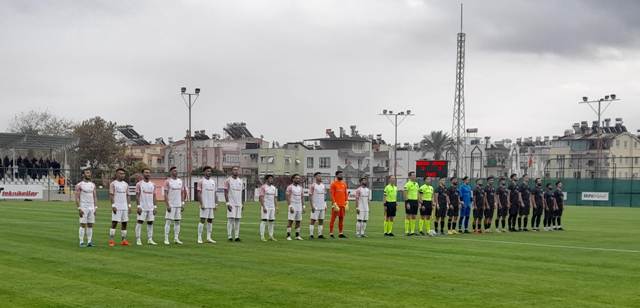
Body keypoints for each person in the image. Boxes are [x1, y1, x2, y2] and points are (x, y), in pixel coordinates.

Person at [164, 167, 186, 245]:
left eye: (176, 171)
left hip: (178, 205)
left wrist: (182, 203)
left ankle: (176, 238)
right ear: (171, 172)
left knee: (177, 222)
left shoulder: (180, 181)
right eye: (174, 171)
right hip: (171, 205)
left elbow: (182, 193)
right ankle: (166, 238)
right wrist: (168, 205)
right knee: (168, 221)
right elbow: (165, 193)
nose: (176, 172)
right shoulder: (168, 181)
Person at [135, 168, 158, 246]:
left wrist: (155, 206)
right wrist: (138, 206)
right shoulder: (139, 184)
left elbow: (154, 196)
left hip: (151, 207)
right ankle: (138, 239)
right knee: (140, 221)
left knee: (150, 222)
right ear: (143, 174)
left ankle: (150, 239)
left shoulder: (153, 184)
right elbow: (137, 196)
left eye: (149, 172)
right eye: (146, 172)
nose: (147, 174)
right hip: (142, 207)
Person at [109, 168, 131, 247]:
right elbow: (111, 195)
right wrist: (113, 205)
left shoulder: (126, 184)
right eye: (120, 173)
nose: (122, 175)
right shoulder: (113, 184)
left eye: (123, 174)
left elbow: (128, 195)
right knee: (114, 223)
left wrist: (129, 206)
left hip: (124, 206)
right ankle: (111, 240)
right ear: (116, 174)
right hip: (117, 206)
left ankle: (123, 240)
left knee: (124, 223)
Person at [75, 169, 97, 247]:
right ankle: (81, 242)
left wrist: (95, 207)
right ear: (83, 175)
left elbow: (95, 197)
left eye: (89, 173)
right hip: (83, 206)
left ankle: (89, 242)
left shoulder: (93, 185)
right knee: (82, 224)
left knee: (90, 224)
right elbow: (77, 197)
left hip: (91, 207)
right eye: (87, 173)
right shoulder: (79, 185)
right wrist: (79, 208)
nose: (89, 174)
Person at [197, 166, 218, 244]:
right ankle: (199, 237)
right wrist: (201, 203)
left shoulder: (213, 181)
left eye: (210, 171)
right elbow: (198, 193)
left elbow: (215, 193)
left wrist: (216, 204)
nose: (209, 172)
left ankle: (209, 237)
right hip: (204, 204)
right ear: (204, 172)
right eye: (208, 171)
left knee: (210, 220)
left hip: (211, 204)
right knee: (202, 220)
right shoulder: (201, 181)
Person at [224, 166, 244, 241]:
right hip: (231, 203)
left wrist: (242, 203)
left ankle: (236, 236)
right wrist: (227, 203)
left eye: (237, 170)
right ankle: (229, 236)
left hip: (239, 203)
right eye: (234, 170)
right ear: (231, 171)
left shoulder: (241, 181)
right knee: (230, 219)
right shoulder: (228, 180)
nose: (236, 171)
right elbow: (225, 192)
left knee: (238, 220)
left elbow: (242, 193)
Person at [329, 170, 349, 238]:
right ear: (336, 176)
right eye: (340, 174)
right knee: (333, 219)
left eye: (342, 174)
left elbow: (345, 194)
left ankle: (340, 233)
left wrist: (346, 202)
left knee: (341, 219)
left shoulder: (344, 184)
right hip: (336, 205)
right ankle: (331, 233)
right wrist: (334, 203)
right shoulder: (333, 184)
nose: (341, 176)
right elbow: (332, 195)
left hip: (342, 205)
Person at [258, 174, 278, 241]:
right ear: (267, 179)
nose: (271, 180)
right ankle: (262, 236)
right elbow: (261, 197)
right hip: (265, 206)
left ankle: (271, 236)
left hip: (272, 207)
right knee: (264, 221)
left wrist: (276, 207)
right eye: (270, 178)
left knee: (271, 221)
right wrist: (263, 206)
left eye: (272, 179)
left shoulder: (274, 188)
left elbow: (275, 198)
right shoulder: (263, 187)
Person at [286, 174, 305, 241]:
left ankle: (297, 235)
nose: (298, 180)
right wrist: (290, 206)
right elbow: (287, 197)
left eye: (299, 178)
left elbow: (302, 197)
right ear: (293, 179)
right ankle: (288, 235)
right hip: (293, 205)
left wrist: (303, 206)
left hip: (299, 206)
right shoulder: (290, 187)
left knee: (298, 221)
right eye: (296, 178)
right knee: (290, 221)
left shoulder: (300, 188)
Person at [309, 172, 327, 239]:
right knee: (313, 220)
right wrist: (312, 206)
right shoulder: (313, 185)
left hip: (322, 206)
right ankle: (311, 235)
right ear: (315, 177)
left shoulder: (323, 185)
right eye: (319, 176)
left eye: (320, 176)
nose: (320, 177)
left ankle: (320, 235)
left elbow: (325, 196)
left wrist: (325, 205)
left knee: (321, 220)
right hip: (315, 206)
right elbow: (310, 196)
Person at [403, 171, 420, 236]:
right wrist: (407, 203)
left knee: (414, 216)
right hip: (409, 201)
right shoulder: (407, 184)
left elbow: (418, 193)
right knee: (408, 216)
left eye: (415, 175)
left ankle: (412, 231)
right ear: (409, 176)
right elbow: (405, 194)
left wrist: (419, 201)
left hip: (415, 201)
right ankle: (407, 231)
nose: (414, 176)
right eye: (413, 175)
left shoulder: (417, 184)